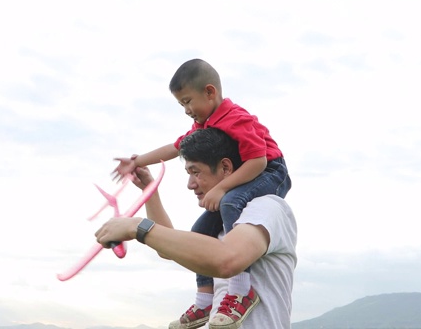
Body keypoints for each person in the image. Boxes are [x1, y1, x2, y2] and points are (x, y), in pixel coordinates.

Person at [112, 58, 292, 325]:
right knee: (200, 231)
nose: (186, 110)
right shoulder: (205, 126)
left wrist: (222, 189)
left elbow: (259, 161)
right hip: (243, 177)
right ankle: (205, 301)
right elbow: (175, 148)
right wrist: (139, 165)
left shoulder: (266, 208)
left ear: (210, 92)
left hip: (270, 171)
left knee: (231, 202)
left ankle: (242, 291)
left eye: (196, 172)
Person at [99, 127, 298, 329]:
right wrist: (150, 192)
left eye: (195, 172)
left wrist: (136, 227)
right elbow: (168, 249)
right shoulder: (219, 222)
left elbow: (227, 260)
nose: (190, 184)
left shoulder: (267, 207)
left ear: (226, 168)